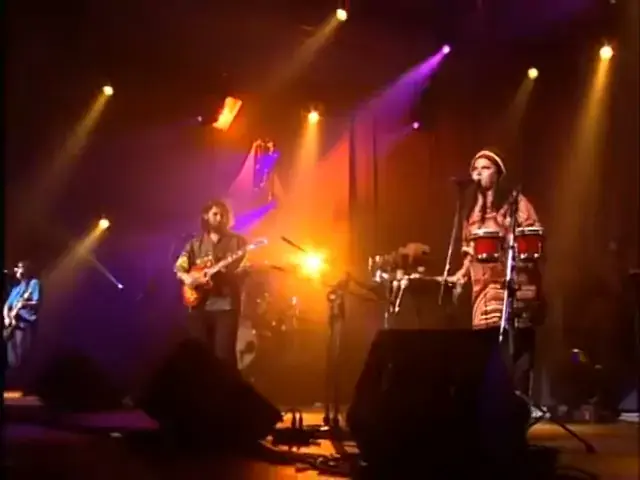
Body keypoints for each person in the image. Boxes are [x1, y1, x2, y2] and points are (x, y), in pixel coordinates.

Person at [447, 149, 544, 396]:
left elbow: (531, 237)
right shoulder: (471, 211)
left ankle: (519, 400)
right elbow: (469, 251)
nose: (479, 173)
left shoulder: (516, 203)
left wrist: (507, 239)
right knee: (486, 346)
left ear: (498, 174)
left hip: (512, 282)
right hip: (482, 289)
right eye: (476, 169)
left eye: (486, 168)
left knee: (517, 346)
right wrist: (461, 275)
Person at [174, 199, 247, 369]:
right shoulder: (195, 244)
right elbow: (179, 267)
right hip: (198, 307)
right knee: (201, 358)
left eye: (223, 215)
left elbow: (245, 267)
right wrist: (189, 279)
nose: (220, 218)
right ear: (206, 216)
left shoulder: (238, 242)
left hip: (226, 306)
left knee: (224, 356)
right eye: (215, 214)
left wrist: (236, 271)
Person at [3, 260, 41, 368]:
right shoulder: (17, 288)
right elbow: (7, 305)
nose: (16, 270)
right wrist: (7, 317)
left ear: (27, 270)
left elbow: (37, 303)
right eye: (17, 267)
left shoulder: (34, 283)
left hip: (25, 323)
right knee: (11, 355)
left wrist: (24, 303)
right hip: (13, 324)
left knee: (22, 353)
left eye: (20, 267)